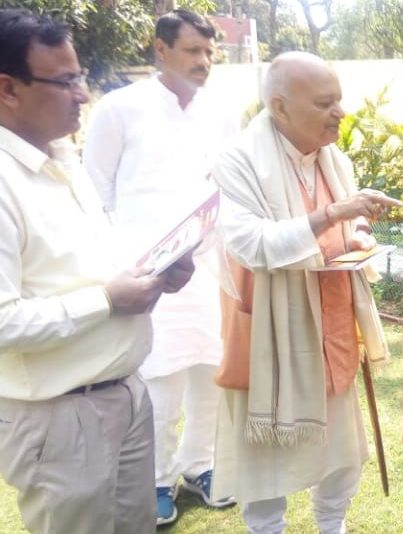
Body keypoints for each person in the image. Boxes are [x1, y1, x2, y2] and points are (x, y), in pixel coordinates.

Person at [0, 9, 193, 533]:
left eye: (80, 77)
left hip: (123, 392)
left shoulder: (62, 158)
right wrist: (109, 300)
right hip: (60, 415)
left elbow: (83, 264)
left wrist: (153, 274)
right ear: (8, 89)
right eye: (64, 82)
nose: (82, 94)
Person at [210, 51, 401, 534]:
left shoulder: (334, 158)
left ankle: (332, 524)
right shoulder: (238, 160)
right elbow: (249, 243)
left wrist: (358, 234)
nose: (340, 112)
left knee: (341, 452)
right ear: (279, 107)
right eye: (324, 103)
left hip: (331, 325)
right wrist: (334, 215)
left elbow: (347, 226)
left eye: (339, 100)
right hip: (270, 334)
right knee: (264, 462)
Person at [82, 8, 239, 526]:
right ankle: (157, 479)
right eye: (193, 50)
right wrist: (118, 264)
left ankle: (201, 466)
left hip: (208, 266)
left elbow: (230, 184)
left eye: (210, 52)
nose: (204, 61)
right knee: (161, 381)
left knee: (210, 372)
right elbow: (95, 193)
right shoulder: (120, 108)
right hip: (146, 272)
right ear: (160, 49)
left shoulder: (221, 112)